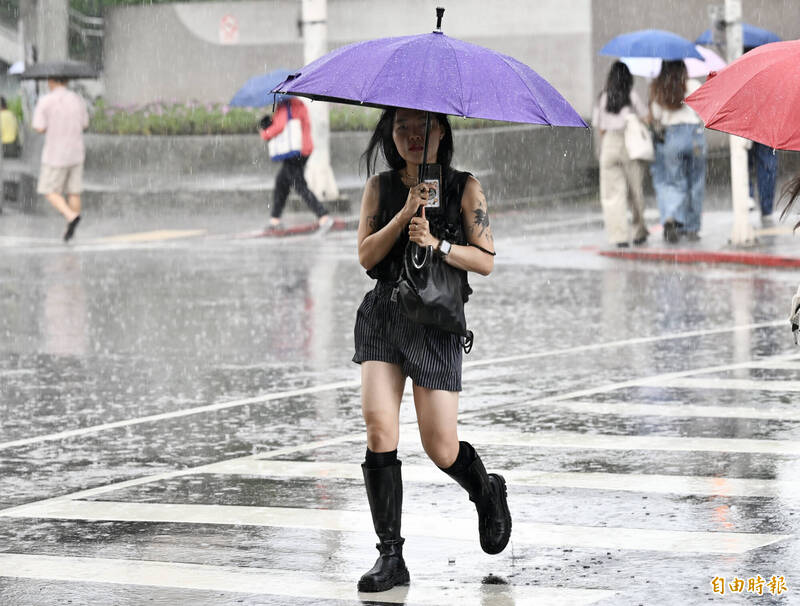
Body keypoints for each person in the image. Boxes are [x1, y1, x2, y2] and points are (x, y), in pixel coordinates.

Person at [352, 107, 510, 593]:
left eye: (422, 127)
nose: (411, 136)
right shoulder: (380, 188)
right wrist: (403, 216)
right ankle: (390, 556)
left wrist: (438, 244)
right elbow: (365, 256)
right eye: (401, 128)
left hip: (437, 323)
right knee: (379, 426)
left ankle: (486, 491)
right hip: (384, 317)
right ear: (390, 135)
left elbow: (484, 261)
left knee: (440, 446)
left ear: (442, 131)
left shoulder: (465, 187)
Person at [592, 62, 649, 248]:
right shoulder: (631, 95)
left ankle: (619, 236)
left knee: (612, 195)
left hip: (609, 144)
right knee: (635, 191)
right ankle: (639, 231)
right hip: (629, 144)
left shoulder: (603, 97)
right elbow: (645, 117)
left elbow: (599, 128)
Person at [649, 60, 707, 243]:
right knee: (696, 182)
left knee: (675, 181)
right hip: (694, 135)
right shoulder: (692, 85)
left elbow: (656, 116)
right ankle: (692, 227)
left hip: (672, 137)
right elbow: (702, 111)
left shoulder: (660, 89)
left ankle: (672, 218)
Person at [259, 96, 332, 232]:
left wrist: (265, 133)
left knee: (299, 185)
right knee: (282, 182)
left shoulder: (285, 106)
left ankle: (323, 216)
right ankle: (275, 219)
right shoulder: (298, 104)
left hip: (294, 152)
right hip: (304, 149)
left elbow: (280, 126)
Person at [32, 77, 89, 242]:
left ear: (51, 81)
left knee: (48, 189)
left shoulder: (46, 101)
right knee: (74, 191)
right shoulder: (78, 100)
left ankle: (70, 216)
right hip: (76, 151)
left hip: (55, 153)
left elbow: (39, 127)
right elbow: (84, 124)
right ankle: (70, 230)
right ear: (67, 81)